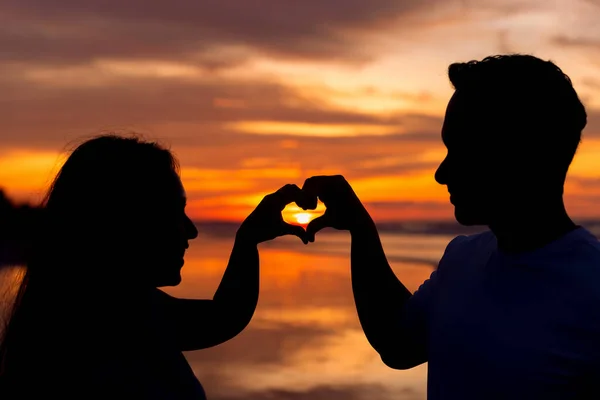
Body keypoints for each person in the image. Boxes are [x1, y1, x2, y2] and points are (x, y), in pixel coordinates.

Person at [297, 54, 600, 399]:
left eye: (461, 149)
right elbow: (398, 343)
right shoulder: (462, 259)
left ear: (516, 152)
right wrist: (358, 225)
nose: (441, 173)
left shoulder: (592, 289)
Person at [0, 135, 308, 399]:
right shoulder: (93, 337)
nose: (191, 231)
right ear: (127, 222)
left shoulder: (117, 308)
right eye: (174, 213)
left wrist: (248, 239)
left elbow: (222, 316)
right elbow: (223, 318)